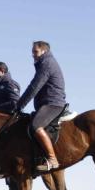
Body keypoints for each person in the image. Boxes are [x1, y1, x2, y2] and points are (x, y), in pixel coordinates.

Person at [14, 41, 66, 172]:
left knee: (36, 126)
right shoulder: (44, 63)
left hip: (53, 104)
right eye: (32, 52)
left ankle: (52, 159)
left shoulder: (46, 64)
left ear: (44, 51)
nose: (33, 55)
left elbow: (34, 87)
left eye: (35, 52)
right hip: (47, 103)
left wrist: (20, 105)